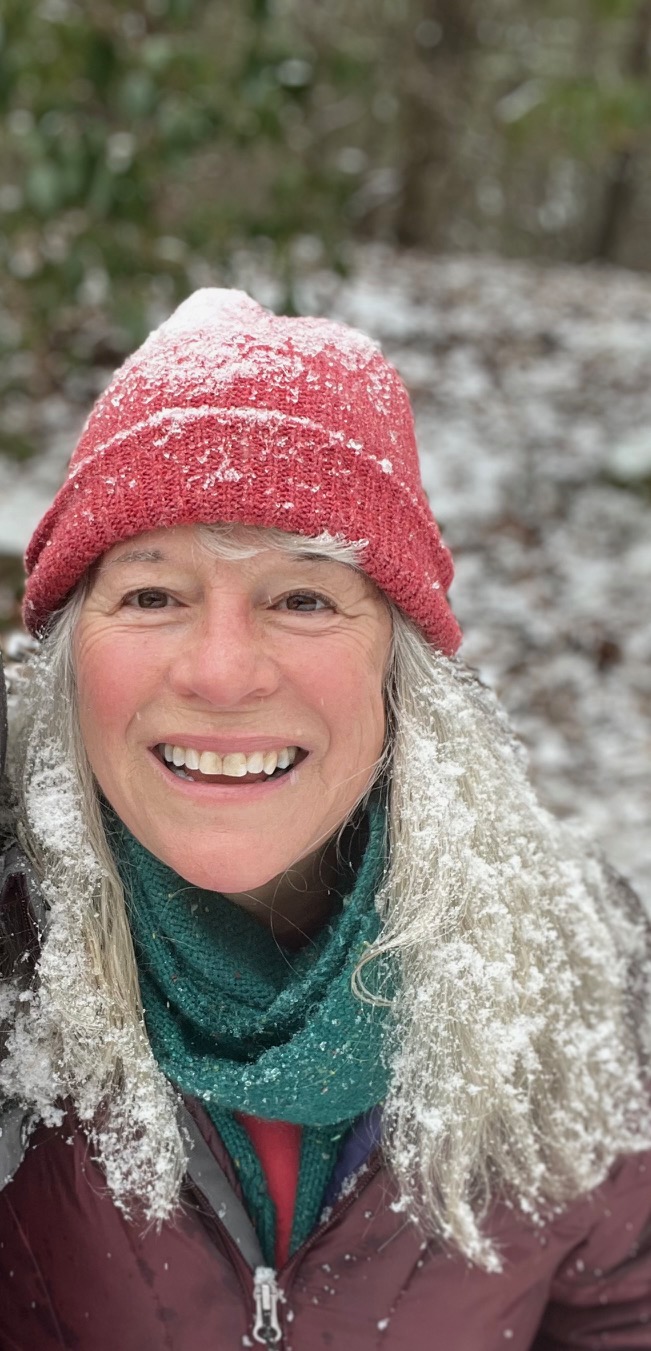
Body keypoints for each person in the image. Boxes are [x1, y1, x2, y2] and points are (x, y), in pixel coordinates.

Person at [0, 288, 650, 1351]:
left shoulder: (572, 967)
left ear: (400, 668)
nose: (221, 673)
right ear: (71, 661)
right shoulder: (12, 949)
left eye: (303, 598)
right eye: (153, 595)